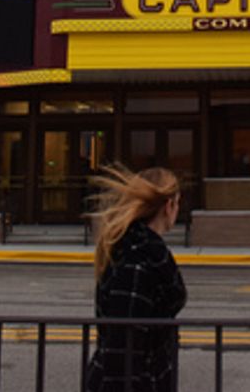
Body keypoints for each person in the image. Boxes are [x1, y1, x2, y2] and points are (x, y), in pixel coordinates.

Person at [84, 165, 185, 392]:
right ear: (169, 206)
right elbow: (121, 350)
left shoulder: (136, 250)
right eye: (178, 203)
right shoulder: (138, 259)